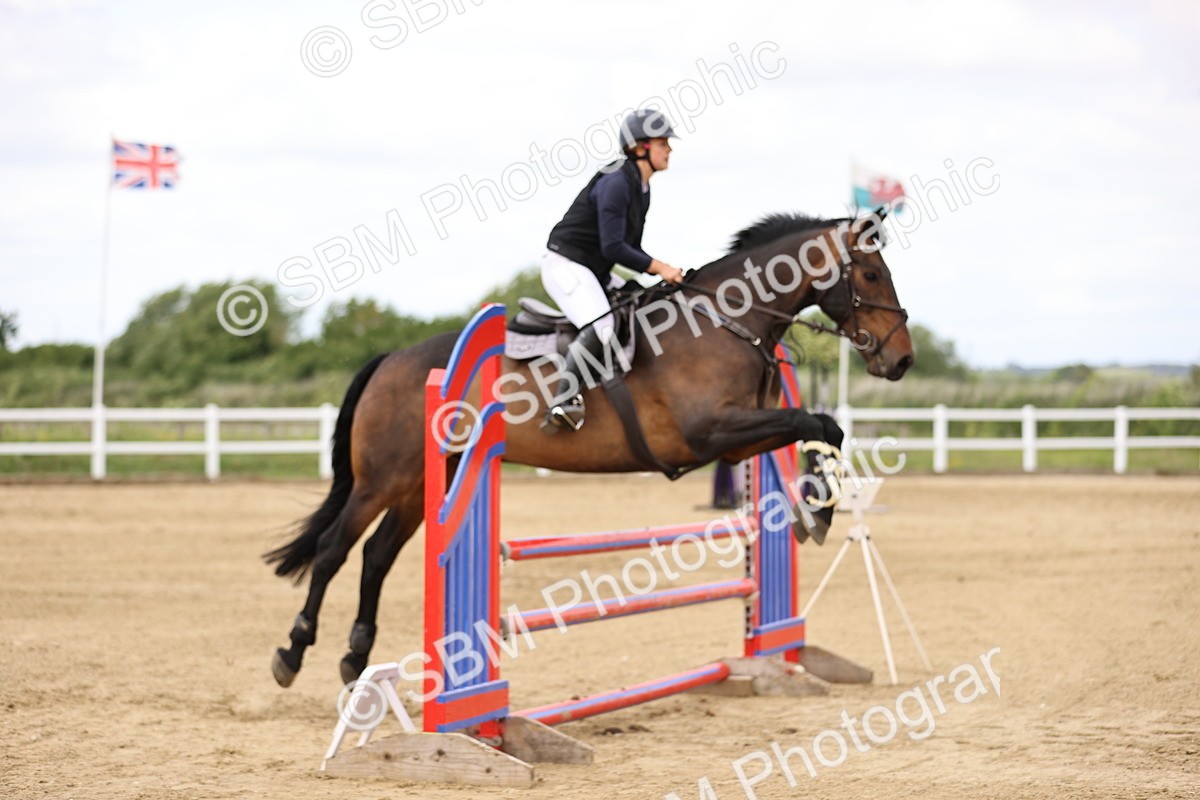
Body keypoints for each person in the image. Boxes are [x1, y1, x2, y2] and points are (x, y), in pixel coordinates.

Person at [541, 108, 687, 433]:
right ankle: (561, 402)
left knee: (639, 301)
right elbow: (614, 248)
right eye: (663, 142)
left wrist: (652, 276)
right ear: (640, 148)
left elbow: (627, 249)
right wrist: (660, 267)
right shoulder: (617, 181)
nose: (670, 149)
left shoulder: (642, 188)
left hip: (594, 269)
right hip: (566, 265)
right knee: (603, 324)